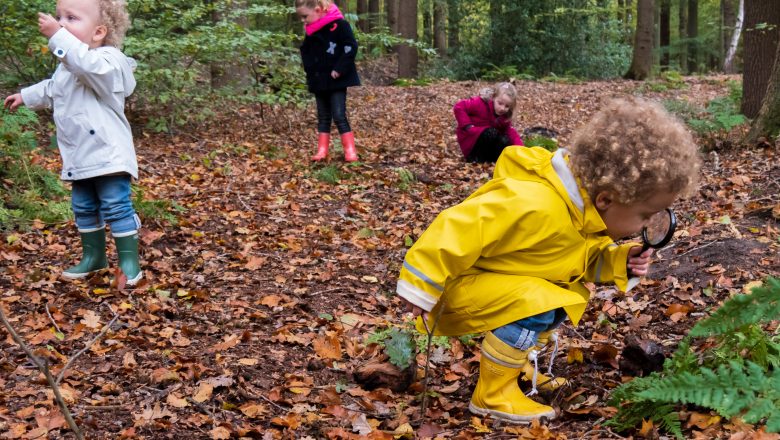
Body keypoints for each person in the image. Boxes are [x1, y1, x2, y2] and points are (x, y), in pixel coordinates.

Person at [396, 98, 701, 423]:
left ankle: (516, 367)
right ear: (607, 198)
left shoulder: (584, 213)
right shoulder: (536, 203)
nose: (644, 227)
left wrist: (619, 263)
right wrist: (421, 285)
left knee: (560, 296)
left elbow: (574, 262)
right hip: (456, 289)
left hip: (495, 286)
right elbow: (458, 227)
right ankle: (493, 393)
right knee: (545, 300)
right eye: (645, 216)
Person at [4, 0, 142, 287]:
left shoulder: (108, 61)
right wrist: (26, 96)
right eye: (59, 17)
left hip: (108, 154)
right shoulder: (68, 67)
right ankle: (94, 257)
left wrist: (57, 35)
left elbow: (87, 65)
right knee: (83, 206)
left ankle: (129, 262)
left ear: (99, 32)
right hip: (79, 155)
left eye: (71, 18)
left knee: (116, 206)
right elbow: (53, 88)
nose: (62, 23)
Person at [296, 0, 360, 162]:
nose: (303, 21)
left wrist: (339, 69)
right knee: (323, 116)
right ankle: (322, 150)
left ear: (318, 10)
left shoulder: (340, 25)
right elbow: (306, 52)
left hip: (337, 80)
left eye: (305, 16)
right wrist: (310, 71)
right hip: (319, 80)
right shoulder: (310, 31)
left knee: (339, 114)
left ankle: (350, 150)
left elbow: (351, 47)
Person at [453, 82, 524, 163]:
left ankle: (495, 161)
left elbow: (511, 133)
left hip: (487, 147)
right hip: (471, 143)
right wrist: (467, 126)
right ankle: (475, 159)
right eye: (500, 103)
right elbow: (459, 107)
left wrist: (521, 150)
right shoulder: (479, 103)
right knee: (490, 132)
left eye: (507, 106)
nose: (502, 108)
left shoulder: (504, 117)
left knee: (505, 139)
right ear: (493, 97)